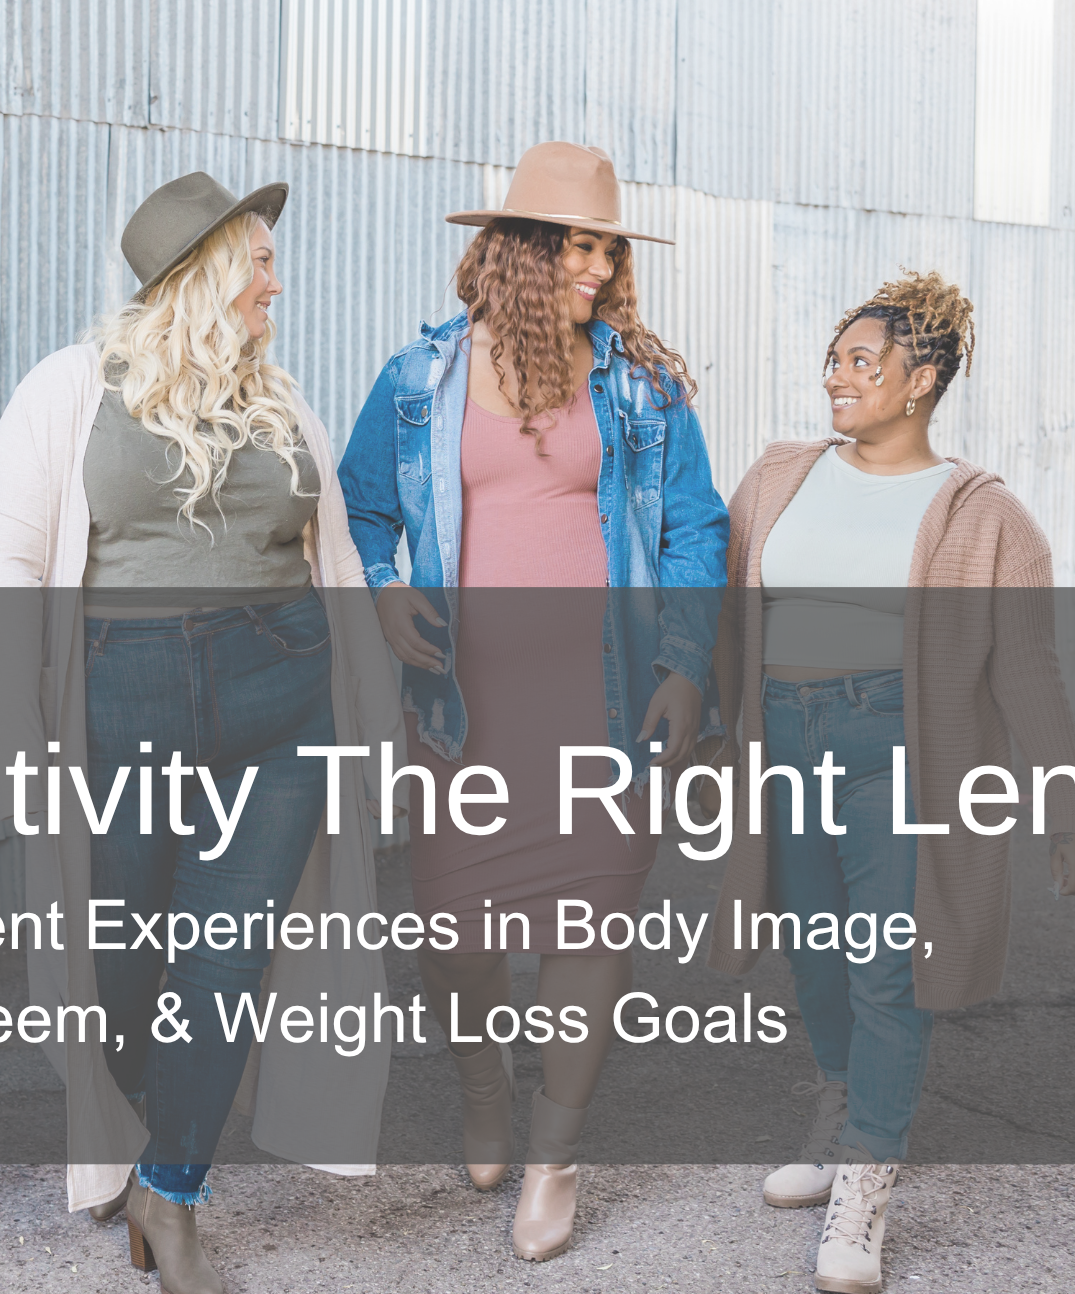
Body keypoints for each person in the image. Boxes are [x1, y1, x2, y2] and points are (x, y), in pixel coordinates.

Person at [0, 172, 401, 1294]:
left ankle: (171, 1192)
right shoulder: (71, 388)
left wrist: (376, 720)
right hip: (122, 704)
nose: (274, 281)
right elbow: (9, 559)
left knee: (226, 956)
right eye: (257, 261)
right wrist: (20, 727)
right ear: (203, 272)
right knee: (119, 973)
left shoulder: (281, 401)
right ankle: (131, 1119)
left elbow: (338, 562)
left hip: (284, 703)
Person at [337, 141, 729, 1262]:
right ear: (515, 249)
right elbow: (362, 511)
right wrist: (383, 589)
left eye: (606, 246)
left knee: (587, 925)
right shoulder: (421, 380)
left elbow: (696, 527)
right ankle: (479, 1080)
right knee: (452, 928)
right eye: (574, 244)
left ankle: (554, 1153)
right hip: (464, 709)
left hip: (606, 705)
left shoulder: (637, 385)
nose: (596, 268)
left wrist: (685, 666)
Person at [706, 271, 1075, 1294]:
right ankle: (839, 1112)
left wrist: (1066, 804)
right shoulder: (775, 477)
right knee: (814, 953)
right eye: (832, 359)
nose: (834, 377)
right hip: (782, 740)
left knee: (886, 966)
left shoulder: (982, 516)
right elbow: (724, 620)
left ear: (919, 378)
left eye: (859, 361)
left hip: (898, 750)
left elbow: (1024, 668)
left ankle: (865, 1182)